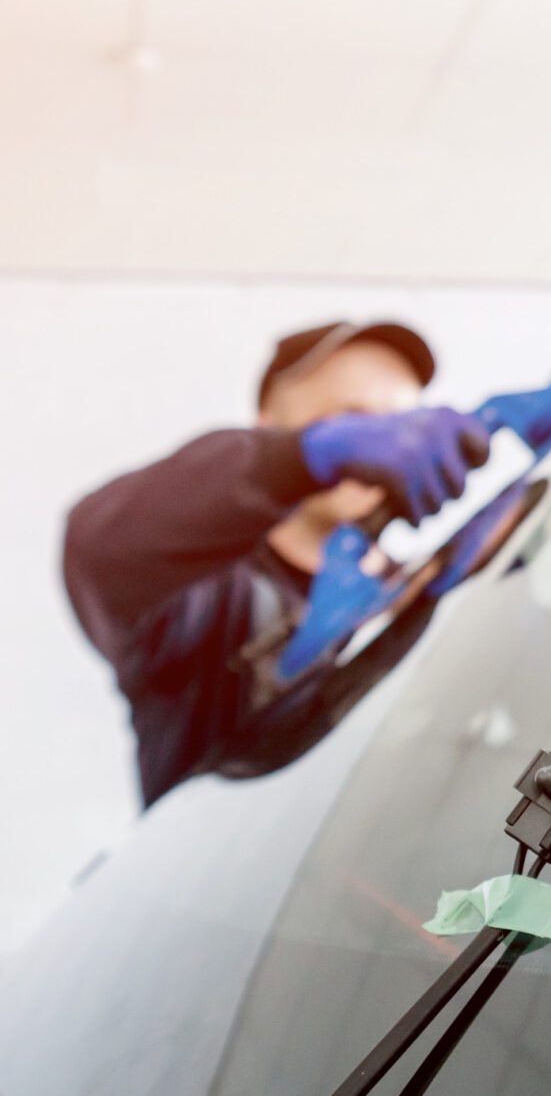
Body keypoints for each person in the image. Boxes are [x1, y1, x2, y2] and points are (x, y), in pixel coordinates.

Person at [64, 320, 493, 808]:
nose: (387, 437)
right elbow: (100, 544)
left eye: (399, 420)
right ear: (268, 426)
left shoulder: (414, 590)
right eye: (351, 419)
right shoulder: (199, 593)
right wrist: (298, 461)